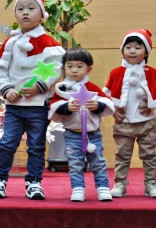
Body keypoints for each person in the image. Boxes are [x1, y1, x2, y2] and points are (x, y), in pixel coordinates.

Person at [0, 0, 65, 200]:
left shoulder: (48, 42)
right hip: (14, 106)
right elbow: (1, 70)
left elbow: (55, 68)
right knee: (7, 143)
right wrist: (6, 90)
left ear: (42, 15)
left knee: (36, 146)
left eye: (31, 8)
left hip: (38, 106)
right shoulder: (10, 43)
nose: (25, 13)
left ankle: (34, 183)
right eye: (20, 9)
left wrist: (39, 86)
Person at [102, 29, 156, 198]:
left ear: (146, 51)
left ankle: (151, 184)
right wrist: (114, 111)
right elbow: (107, 96)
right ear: (122, 50)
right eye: (128, 47)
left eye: (138, 47)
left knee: (149, 155)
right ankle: (120, 183)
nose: (132, 51)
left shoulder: (152, 72)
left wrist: (152, 107)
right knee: (122, 156)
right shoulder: (116, 72)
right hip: (123, 122)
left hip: (147, 123)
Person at [49, 47, 114, 202]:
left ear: (88, 69)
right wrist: (66, 108)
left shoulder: (92, 88)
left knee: (98, 162)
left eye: (79, 66)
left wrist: (98, 106)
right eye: (70, 66)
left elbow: (107, 103)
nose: (74, 70)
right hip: (73, 134)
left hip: (93, 134)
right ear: (64, 68)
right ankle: (78, 188)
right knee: (75, 163)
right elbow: (53, 106)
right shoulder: (61, 89)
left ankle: (102, 187)